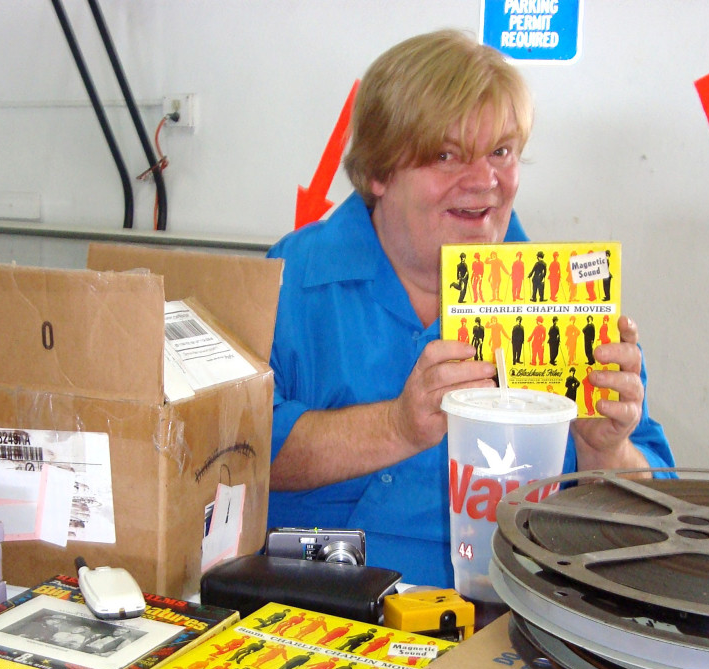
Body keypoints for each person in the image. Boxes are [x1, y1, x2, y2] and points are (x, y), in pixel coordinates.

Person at [266, 29, 674, 588]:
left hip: (504, 607)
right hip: (313, 601)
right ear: (379, 172)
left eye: (501, 152)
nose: (484, 182)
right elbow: (225, 458)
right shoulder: (291, 278)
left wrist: (606, 450)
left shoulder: (564, 301)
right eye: (446, 155)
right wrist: (396, 427)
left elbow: (659, 515)